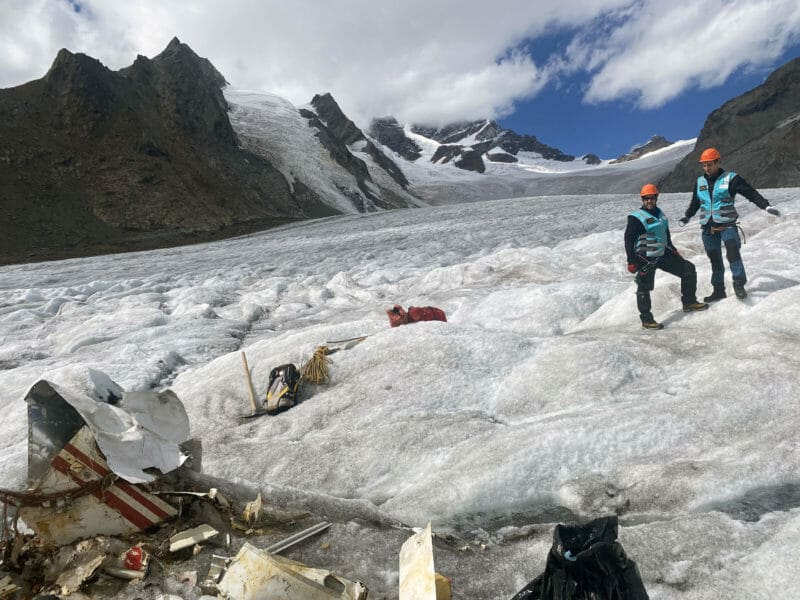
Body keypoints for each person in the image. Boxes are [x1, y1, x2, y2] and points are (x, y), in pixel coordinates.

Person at [678, 147, 781, 300]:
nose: (707, 168)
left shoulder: (731, 179)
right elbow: (695, 202)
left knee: (733, 254)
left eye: (710, 164)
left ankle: (739, 284)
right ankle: (718, 290)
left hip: (727, 225)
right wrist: (687, 216)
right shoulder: (699, 182)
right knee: (715, 259)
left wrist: (766, 206)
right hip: (708, 228)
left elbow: (751, 193)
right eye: (704, 165)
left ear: (718, 162)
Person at [625, 183, 708, 330]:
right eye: (646, 199)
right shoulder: (636, 218)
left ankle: (689, 302)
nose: (649, 201)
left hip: (663, 253)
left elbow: (665, 233)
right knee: (644, 287)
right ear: (642, 200)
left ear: (656, 198)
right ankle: (646, 320)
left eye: (651, 198)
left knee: (688, 269)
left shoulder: (660, 214)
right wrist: (631, 261)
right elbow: (629, 239)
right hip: (645, 256)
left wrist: (673, 248)